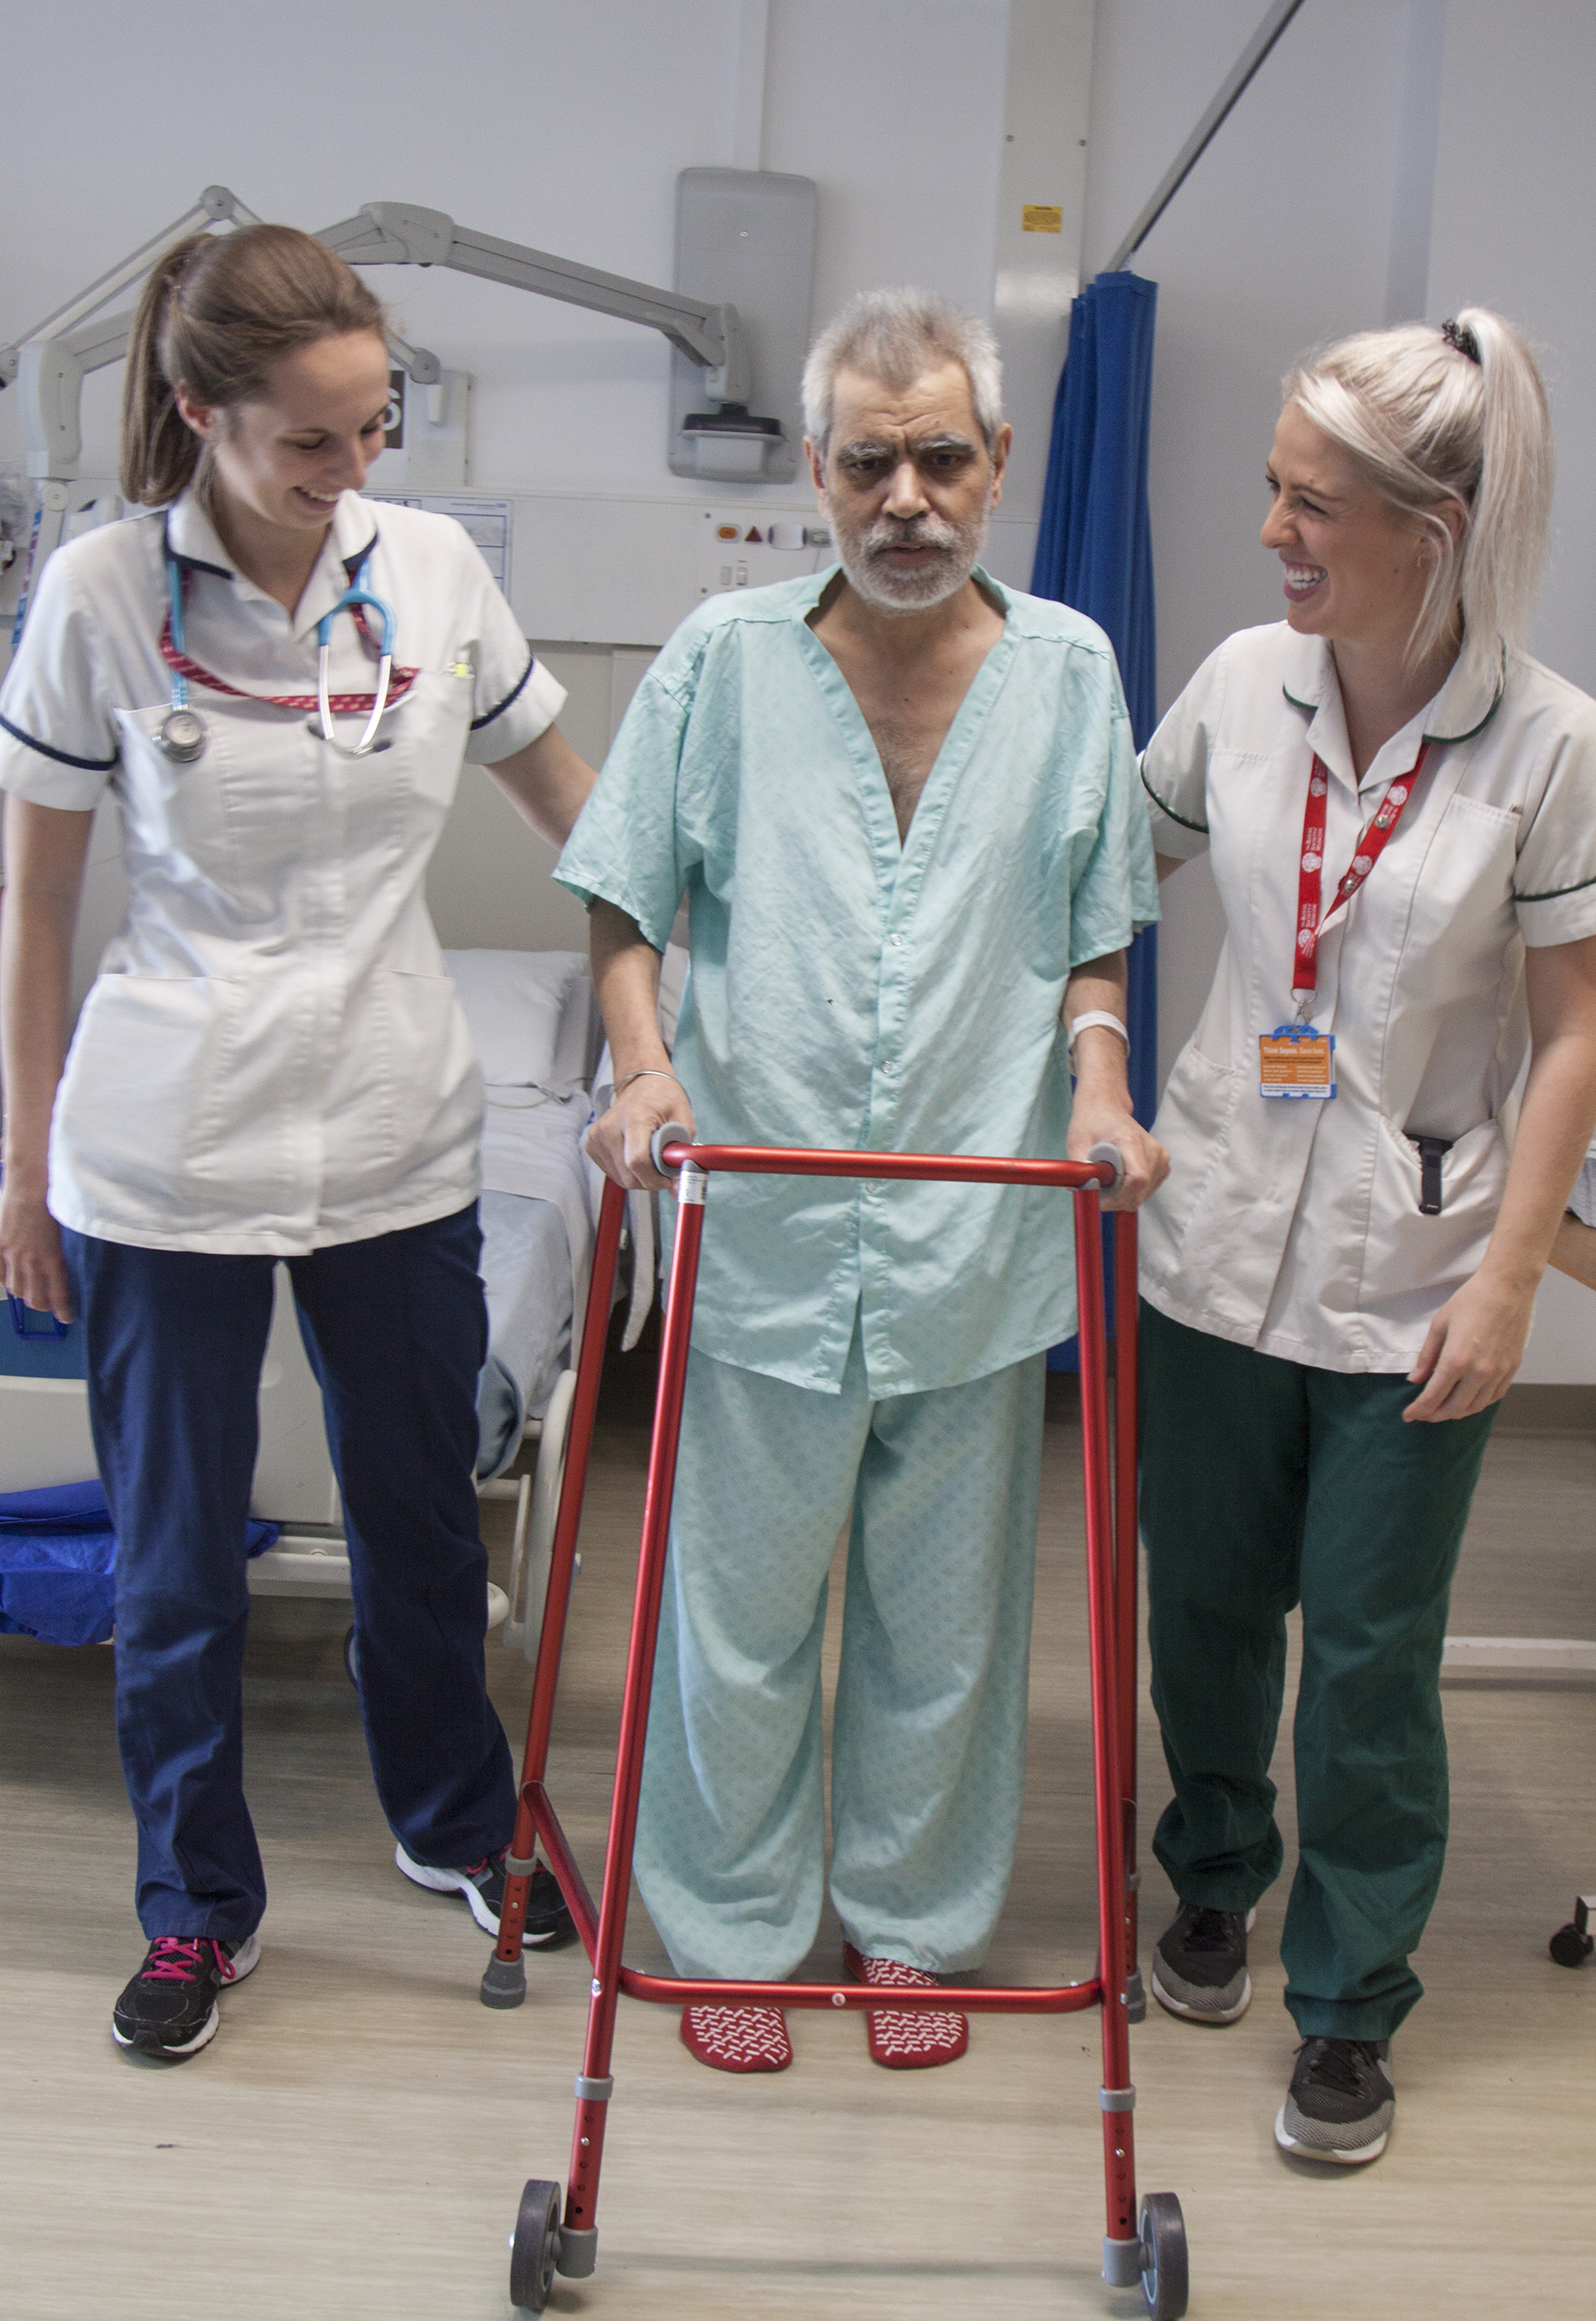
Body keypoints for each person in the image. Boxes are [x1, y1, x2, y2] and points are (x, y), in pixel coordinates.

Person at [0, 224, 597, 2060]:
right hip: (164, 1143)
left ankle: (458, 1821)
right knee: (173, 1558)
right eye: (310, 443)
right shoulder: (101, 593)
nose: (355, 477)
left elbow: (595, 824)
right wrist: (19, 1169)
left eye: (375, 427)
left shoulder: (426, 573)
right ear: (201, 418)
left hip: (399, 1128)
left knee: (421, 1523)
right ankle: (194, 1903)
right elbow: (38, 915)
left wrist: (665, 1014)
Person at [557, 287, 1166, 2076]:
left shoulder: (1070, 673)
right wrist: (644, 1065)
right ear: (818, 469)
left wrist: (1106, 1083)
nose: (908, 497)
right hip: (761, 1212)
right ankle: (733, 1923)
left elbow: (1096, 939)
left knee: (946, 1629)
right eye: (872, 461)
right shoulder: (723, 660)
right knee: (735, 1617)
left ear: (999, 467)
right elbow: (619, 887)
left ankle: (910, 1929)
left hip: (981, 1222)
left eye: (943, 460)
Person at [1137, 309, 1596, 2163]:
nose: (1274, 533)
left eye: (1313, 503)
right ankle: (1214, 1875)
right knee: (1212, 1611)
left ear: (1444, 522)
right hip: (1212, 1219)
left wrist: (1508, 1278)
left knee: (1376, 1658)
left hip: (1422, 1272)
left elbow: (1576, 1030)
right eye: (1272, 489)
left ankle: (1350, 2002)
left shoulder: (1552, 743)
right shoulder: (1246, 680)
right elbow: (1106, 862)